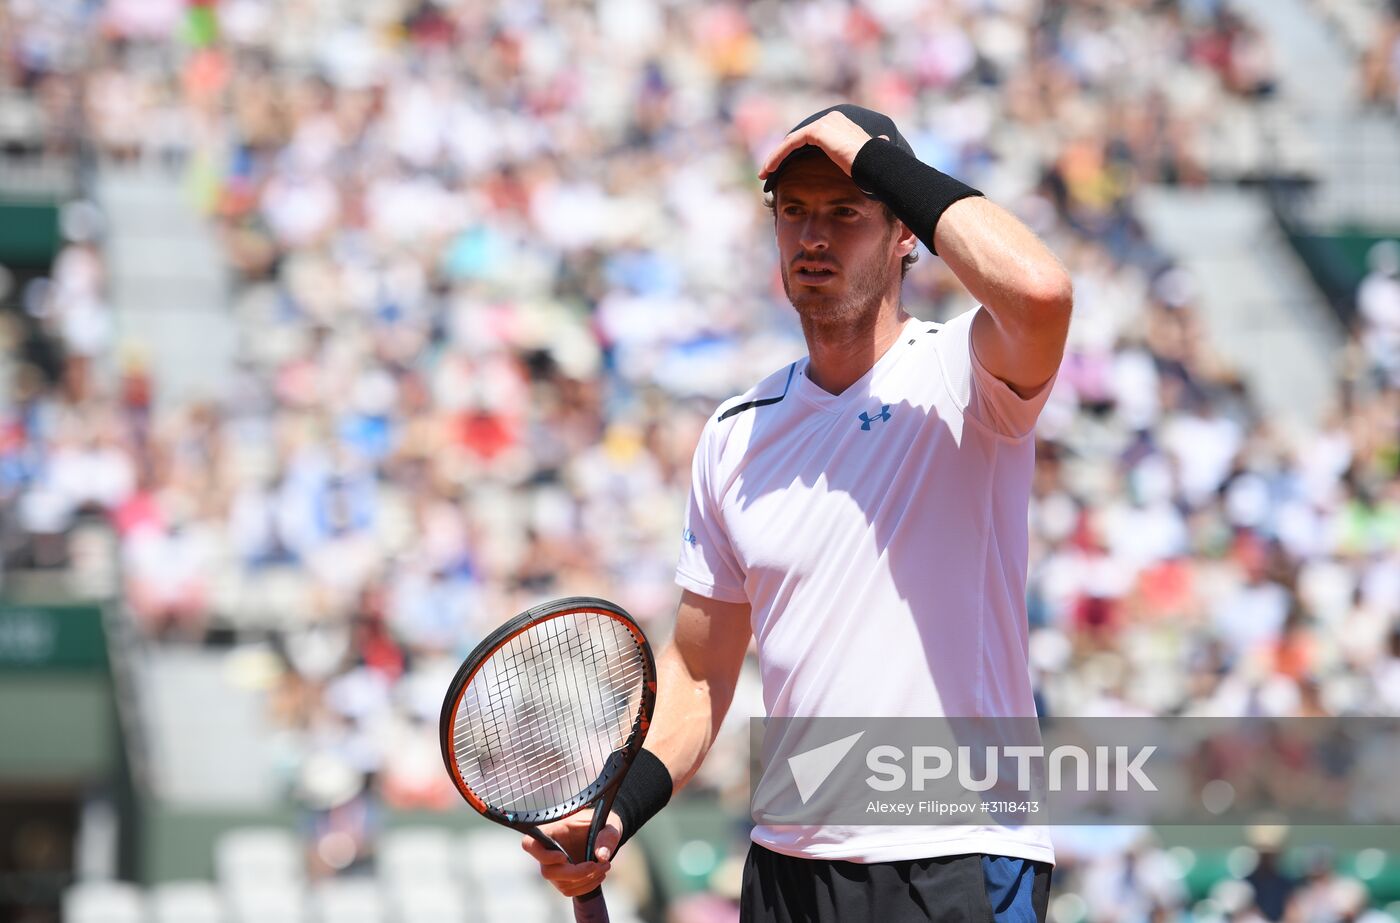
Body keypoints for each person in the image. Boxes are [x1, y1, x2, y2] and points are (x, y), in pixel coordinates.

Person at [522, 104, 1072, 921]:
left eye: (845, 211)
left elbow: (1041, 291)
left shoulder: (966, 376)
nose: (812, 236)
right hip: (786, 868)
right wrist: (617, 808)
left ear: (904, 235)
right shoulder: (736, 433)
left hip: (951, 853)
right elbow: (702, 671)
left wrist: (876, 161)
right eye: (793, 211)